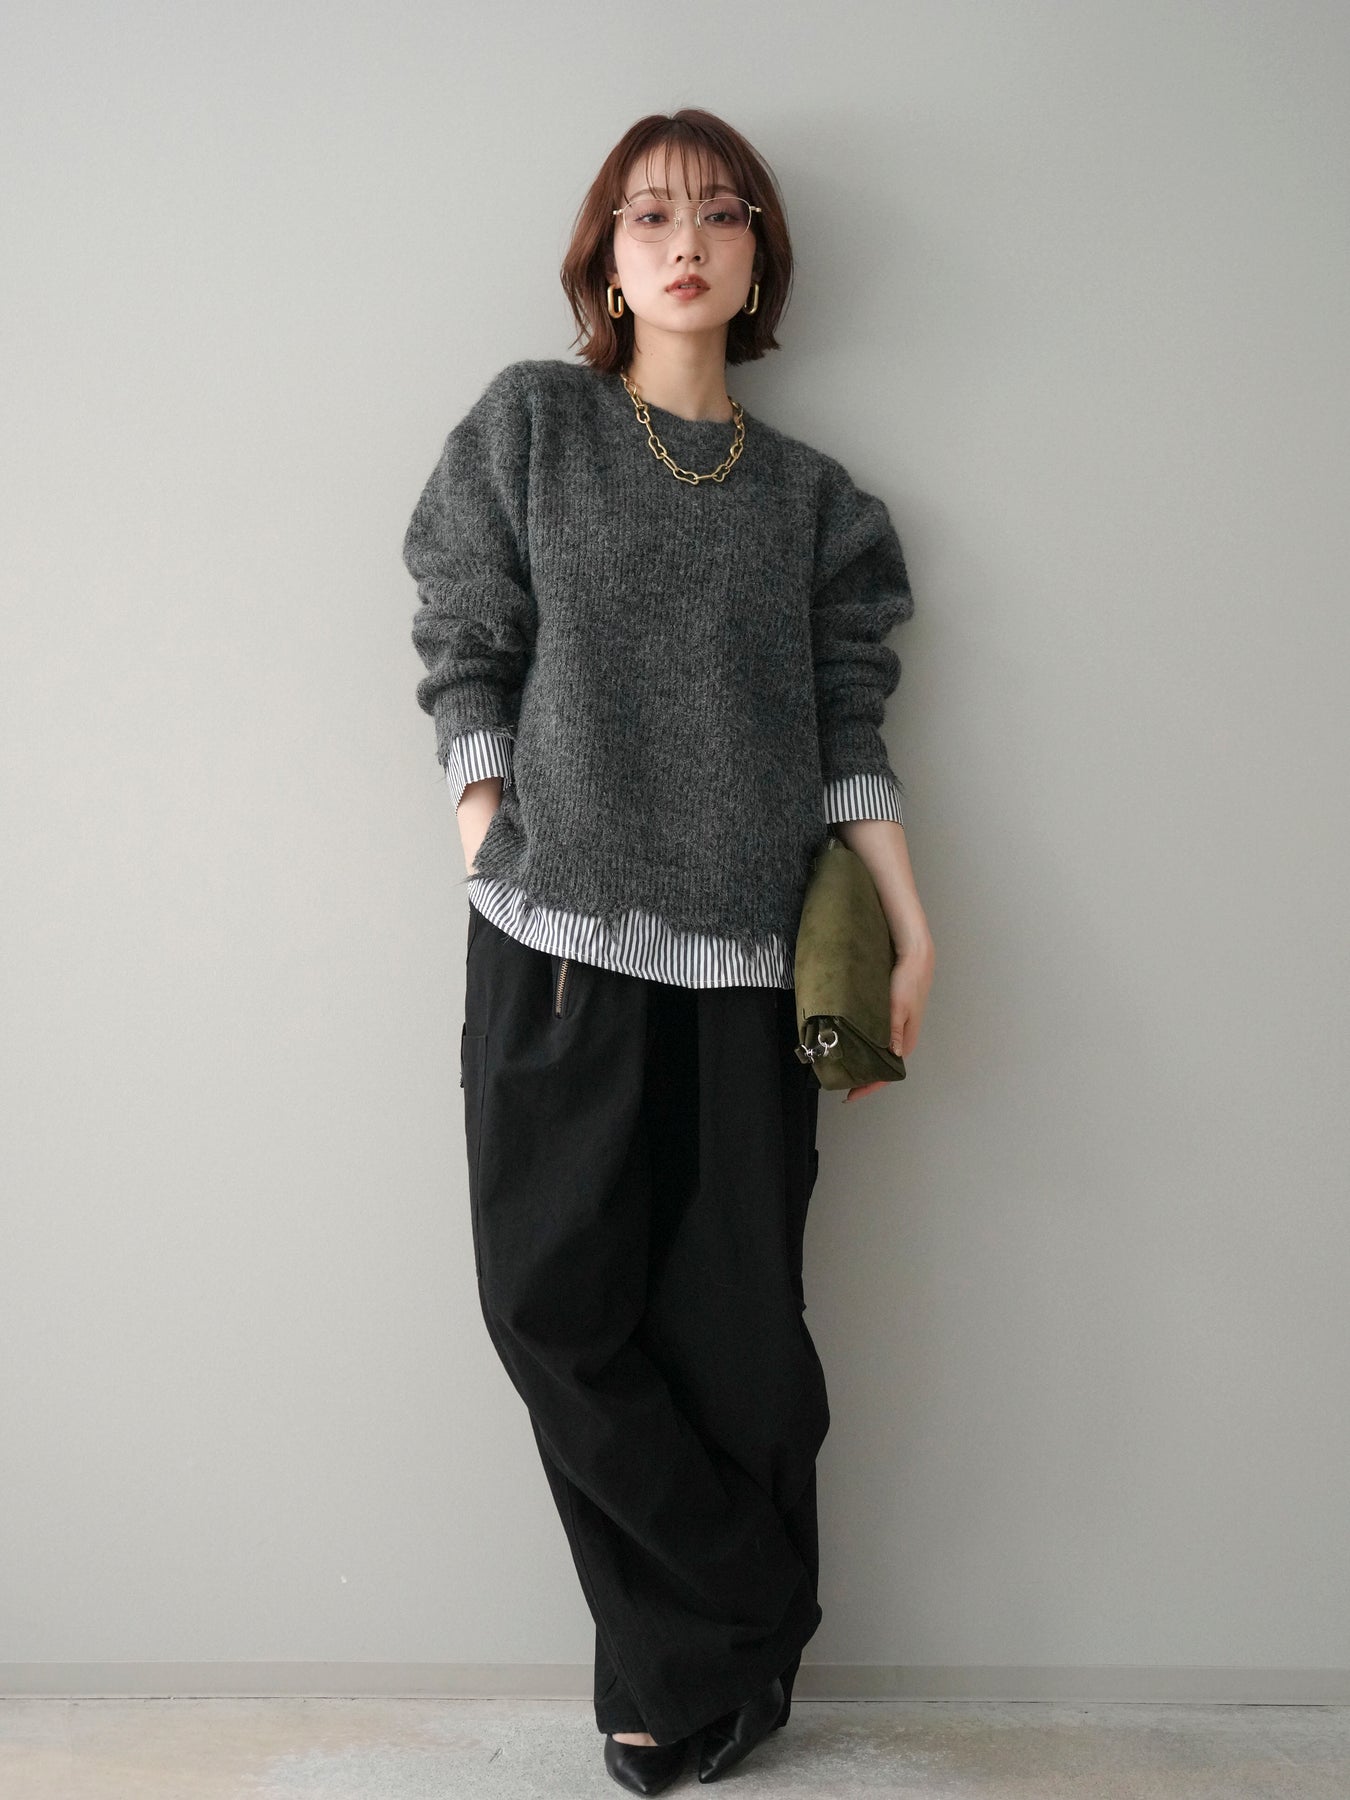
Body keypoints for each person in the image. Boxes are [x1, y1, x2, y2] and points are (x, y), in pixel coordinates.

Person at [402, 107, 934, 1794]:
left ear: (759, 257)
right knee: (549, 1307)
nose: (683, 238)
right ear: (605, 261)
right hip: (551, 941)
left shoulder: (815, 505)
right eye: (646, 215)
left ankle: (669, 1689)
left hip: (749, 967)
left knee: (736, 1339)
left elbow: (849, 727)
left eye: (718, 213)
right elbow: (465, 633)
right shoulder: (534, 426)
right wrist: (485, 831)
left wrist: (910, 926)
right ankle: (749, 1614)